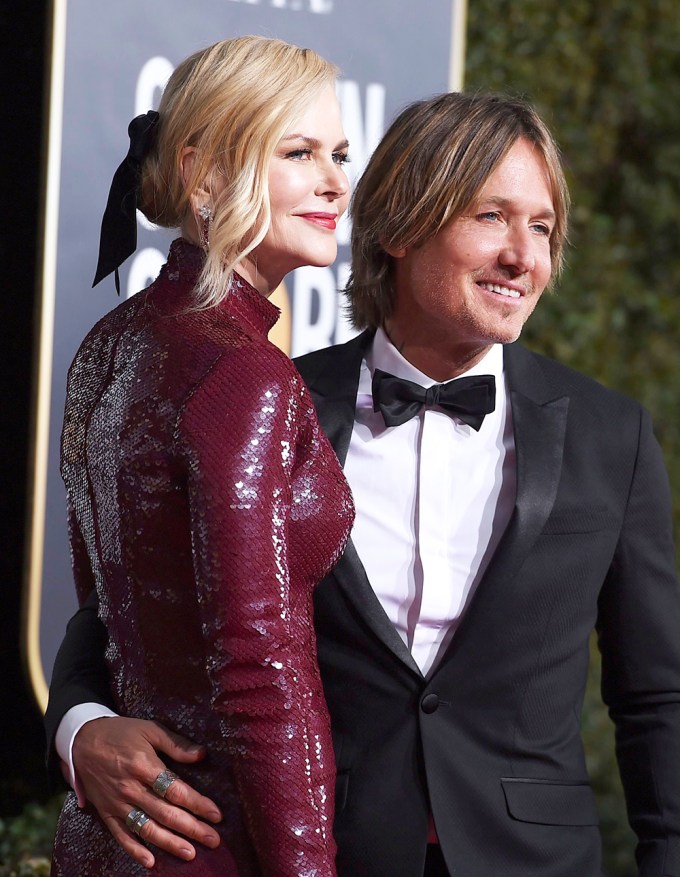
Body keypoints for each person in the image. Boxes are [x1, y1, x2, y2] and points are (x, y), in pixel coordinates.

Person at [46, 92, 680, 876]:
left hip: (537, 857)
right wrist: (81, 725)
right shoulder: (270, 400)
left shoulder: (610, 435)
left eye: (543, 227)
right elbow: (119, 609)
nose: (526, 255)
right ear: (403, 228)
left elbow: (656, 696)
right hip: (329, 851)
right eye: (492, 216)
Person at [47, 34, 355, 877]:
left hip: (111, 838)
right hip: (217, 841)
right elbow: (261, 669)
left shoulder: (107, 347)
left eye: (338, 152)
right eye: (299, 153)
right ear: (205, 175)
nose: (336, 181)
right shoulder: (246, 375)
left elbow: (105, 620)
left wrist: (84, 731)